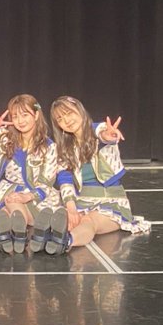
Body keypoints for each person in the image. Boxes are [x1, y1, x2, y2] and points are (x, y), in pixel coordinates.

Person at [43, 96, 151, 254]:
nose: (66, 120)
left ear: (80, 110)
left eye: (69, 113)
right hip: (81, 200)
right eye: (60, 118)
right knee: (61, 216)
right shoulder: (64, 148)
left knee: (89, 221)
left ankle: (65, 242)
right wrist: (71, 208)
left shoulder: (99, 133)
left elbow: (102, 132)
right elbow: (65, 179)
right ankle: (43, 238)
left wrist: (108, 136)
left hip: (110, 201)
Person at [0, 94, 60, 254]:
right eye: (15, 116)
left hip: (36, 195)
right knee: (9, 202)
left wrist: (26, 196)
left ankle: (3, 234)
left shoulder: (49, 147)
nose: (20, 121)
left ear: (36, 115)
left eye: (25, 115)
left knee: (11, 206)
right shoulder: (5, 137)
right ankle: (16, 233)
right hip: (8, 190)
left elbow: (47, 182)